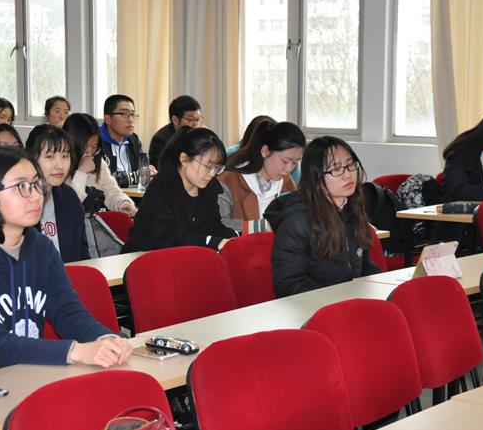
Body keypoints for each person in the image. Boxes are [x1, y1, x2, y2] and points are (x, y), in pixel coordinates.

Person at [0, 144, 131, 367]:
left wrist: (105, 338)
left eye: (37, 184)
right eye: (21, 186)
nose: (36, 196)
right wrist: (74, 351)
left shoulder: (40, 247)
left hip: (27, 374)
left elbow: (67, 310)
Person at [265, 136, 381, 297]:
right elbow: (289, 283)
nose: (348, 175)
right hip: (313, 305)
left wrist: (381, 287)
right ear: (316, 177)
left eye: (350, 165)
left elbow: (365, 265)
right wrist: (338, 300)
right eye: (336, 169)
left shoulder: (351, 208)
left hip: (346, 299)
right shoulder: (297, 221)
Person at [121, 127, 237, 253]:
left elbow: (213, 226)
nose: (212, 174)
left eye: (217, 168)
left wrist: (234, 238)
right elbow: (164, 238)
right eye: (208, 166)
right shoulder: (163, 186)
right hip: (143, 257)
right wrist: (211, 241)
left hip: (186, 257)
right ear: (184, 159)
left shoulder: (209, 188)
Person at [218, 120, 304, 233]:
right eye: (285, 161)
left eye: (295, 163)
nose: (288, 169)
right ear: (265, 151)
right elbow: (220, 224)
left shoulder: (285, 181)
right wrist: (260, 226)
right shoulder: (228, 180)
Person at [25, 125, 89, 262]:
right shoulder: (20, 200)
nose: (60, 166)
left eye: (65, 156)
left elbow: (82, 255)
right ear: (31, 158)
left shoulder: (68, 196)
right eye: (50, 156)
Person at [63, 113, 137, 216]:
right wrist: (81, 172)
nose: (90, 152)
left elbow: (111, 191)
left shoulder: (98, 162)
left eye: (94, 147)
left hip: (93, 221)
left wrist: (122, 203)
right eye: (85, 146)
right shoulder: (59, 166)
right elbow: (70, 207)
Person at [99, 94, 154, 187]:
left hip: (131, 194)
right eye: (124, 114)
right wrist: (135, 177)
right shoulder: (96, 142)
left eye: (132, 114)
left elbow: (143, 171)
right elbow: (100, 179)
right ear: (108, 119)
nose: (131, 120)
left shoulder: (133, 140)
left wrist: (151, 173)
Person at [148, 95, 203, 170]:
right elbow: (166, 169)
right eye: (191, 119)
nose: (196, 124)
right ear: (175, 120)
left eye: (198, 119)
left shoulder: (199, 136)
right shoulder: (160, 140)